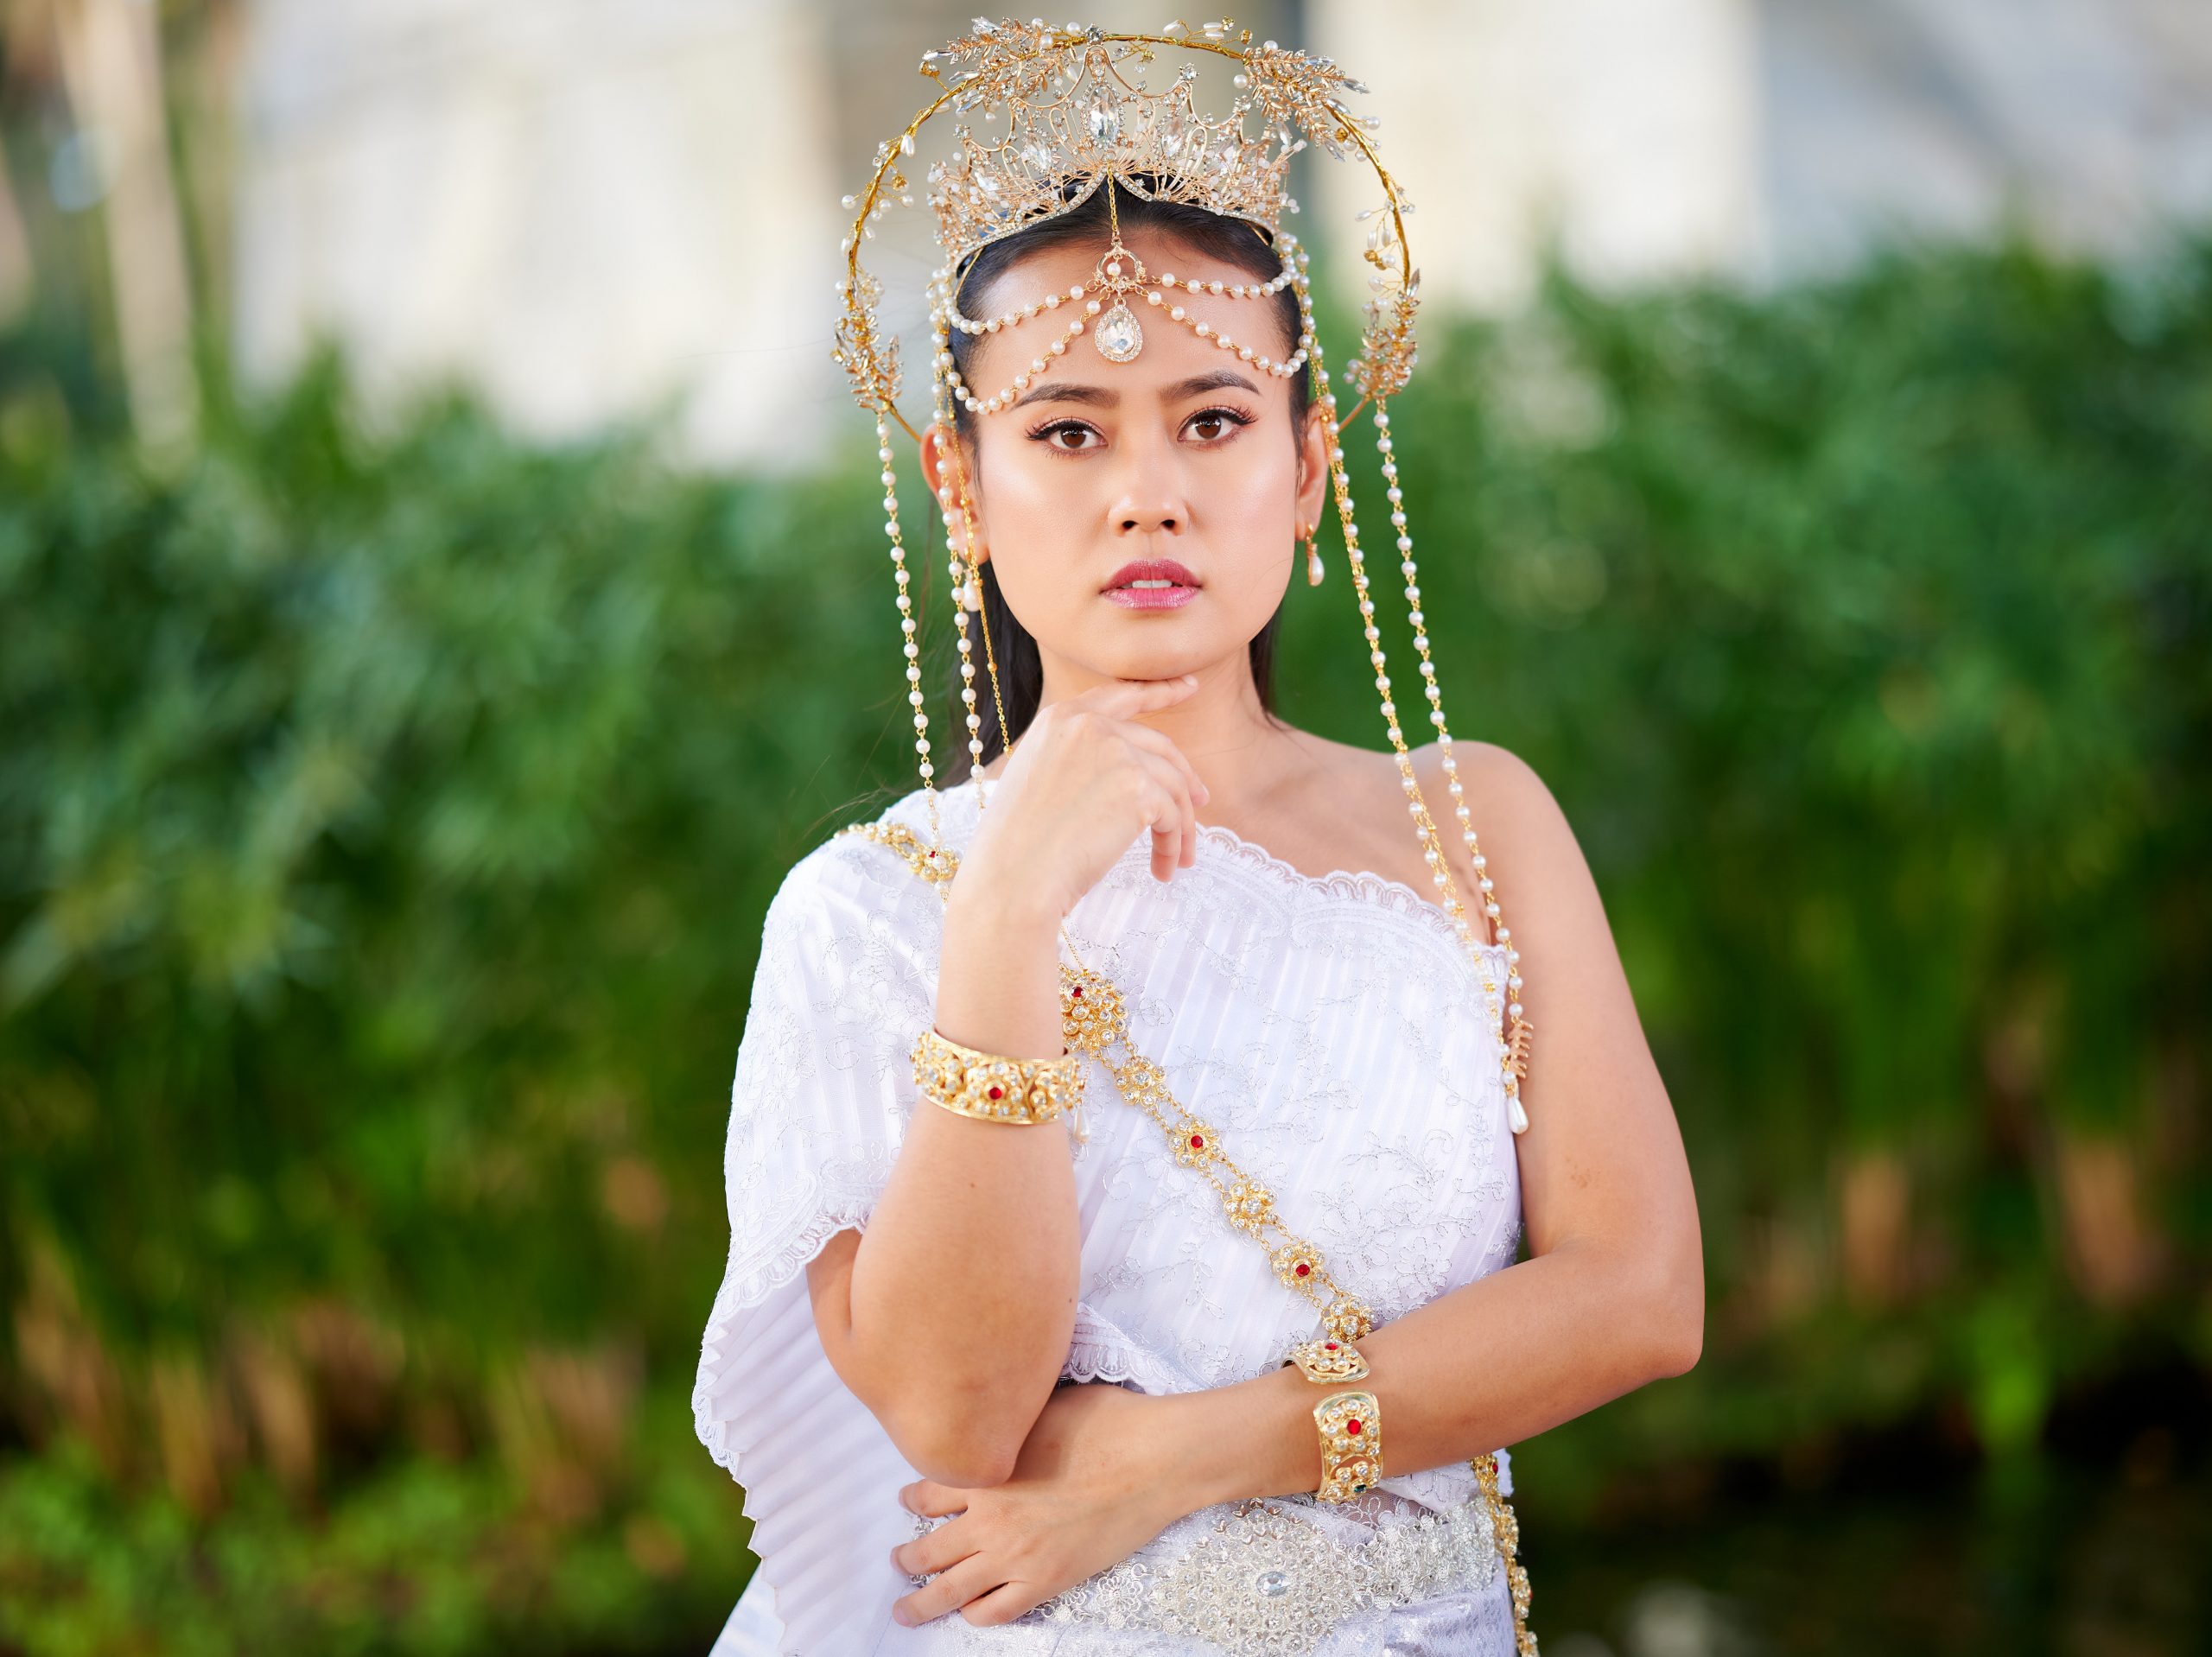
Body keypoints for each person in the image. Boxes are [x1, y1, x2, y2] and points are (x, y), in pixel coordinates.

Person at [693, 22, 1701, 1655]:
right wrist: (1004, 920)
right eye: (1068, 430)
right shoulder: (867, 913)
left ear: (1308, 466)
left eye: (1214, 421)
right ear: (961, 488)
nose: (1147, 492)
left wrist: (1174, 1457)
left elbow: (1641, 1294)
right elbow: (958, 1416)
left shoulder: (1475, 820)